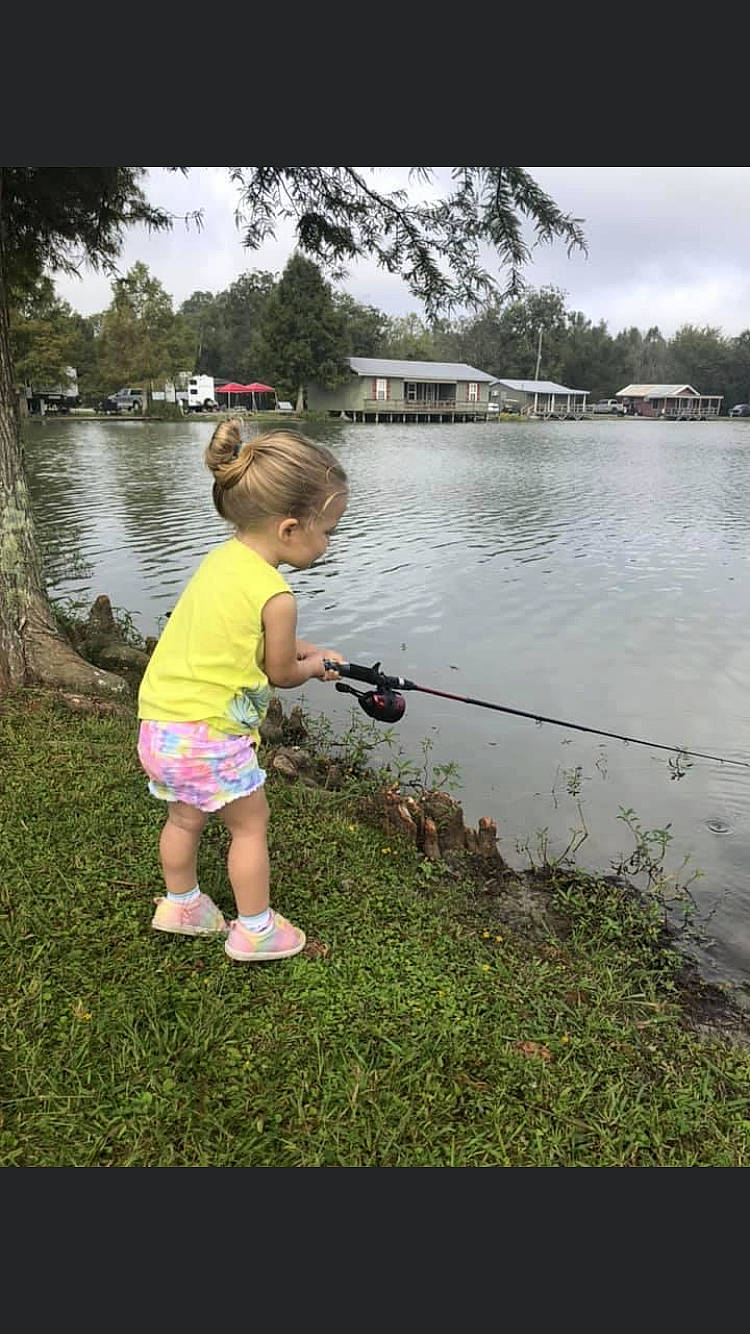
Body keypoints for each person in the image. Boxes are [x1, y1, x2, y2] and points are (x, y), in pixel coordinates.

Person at [137, 421, 348, 962]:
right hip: (211, 737)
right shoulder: (278, 595)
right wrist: (313, 666)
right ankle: (255, 930)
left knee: (184, 817)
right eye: (328, 531)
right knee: (250, 826)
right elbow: (280, 672)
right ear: (290, 529)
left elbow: (242, 637)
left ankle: (182, 905)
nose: (328, 543)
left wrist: (310, 651)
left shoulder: (221, 561)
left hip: (161, 729)